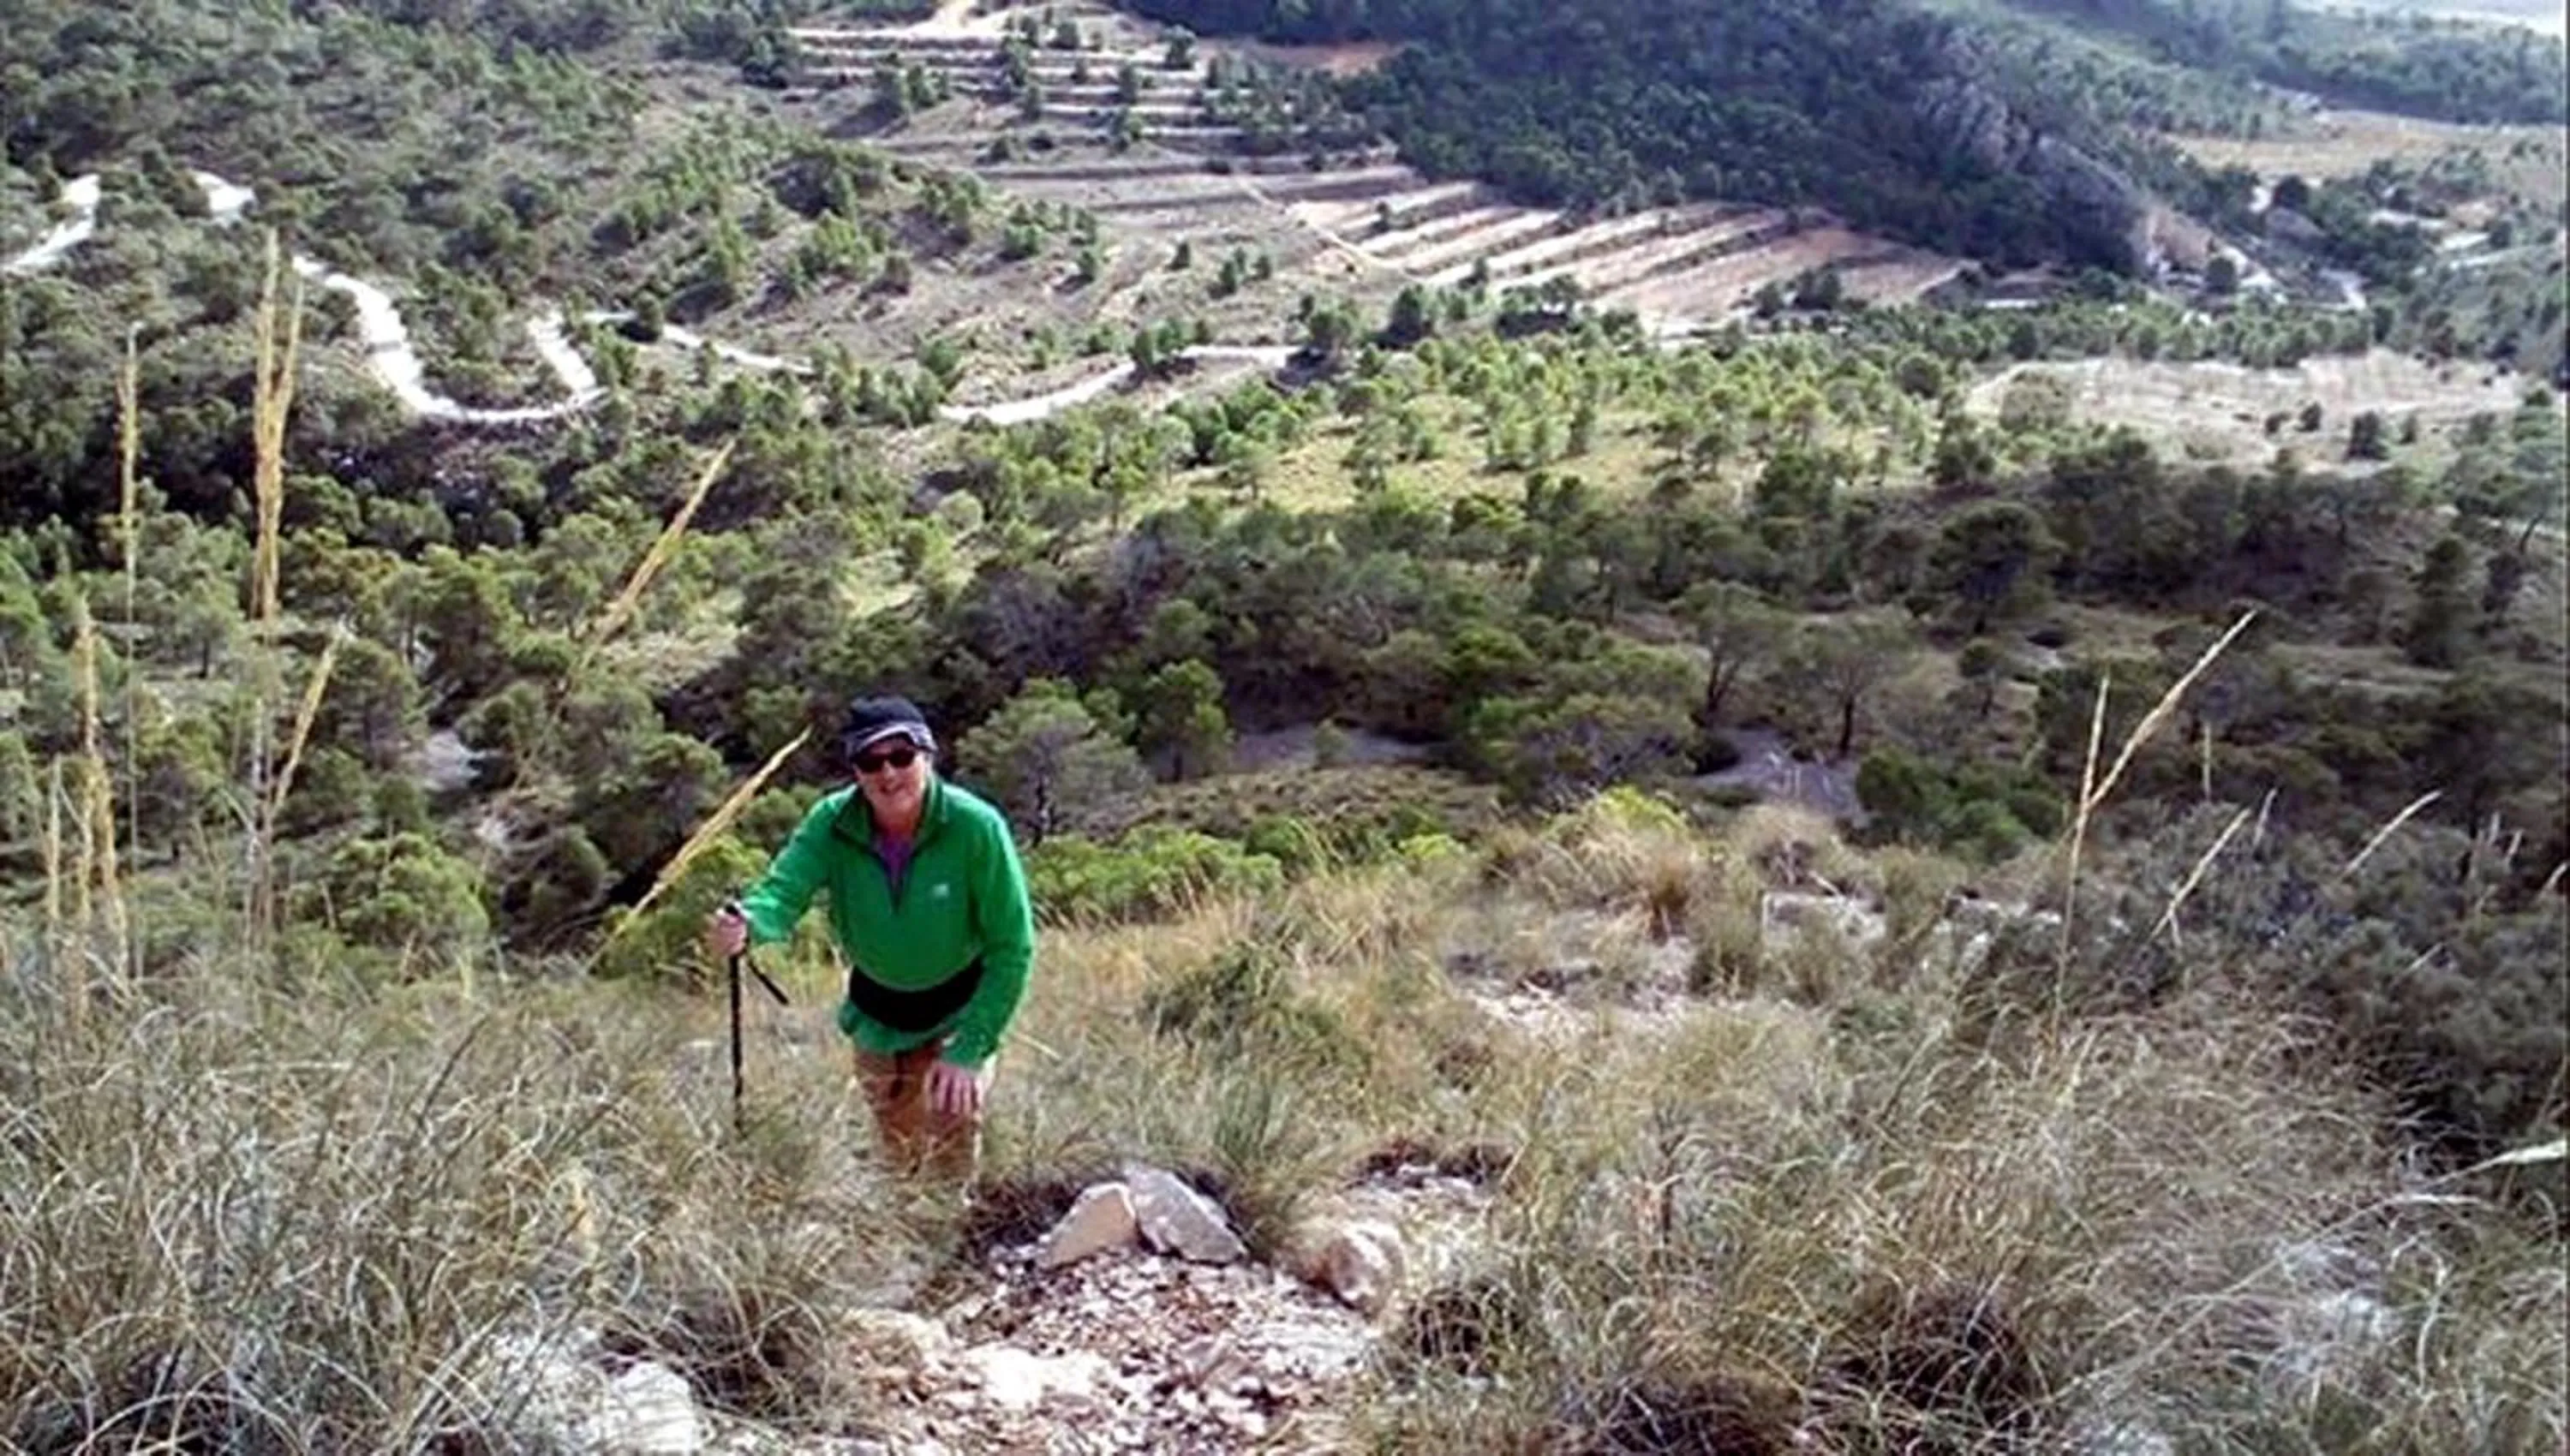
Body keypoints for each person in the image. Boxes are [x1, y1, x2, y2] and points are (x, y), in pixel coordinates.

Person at [708, 695, 1035, 1183]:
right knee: (898, 1154)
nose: (888, 774)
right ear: (855, 770)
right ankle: (906, 1224)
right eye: (870, 761)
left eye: (902, 757)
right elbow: (784, 890)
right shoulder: (831, 822)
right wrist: (749, 923)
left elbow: (1012, 945)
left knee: (952, 1123)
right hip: (879, 1017)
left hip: (957, 1011)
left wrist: (971, 1047)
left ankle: (953, 1223)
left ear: (928, 756)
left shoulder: (975, 826)